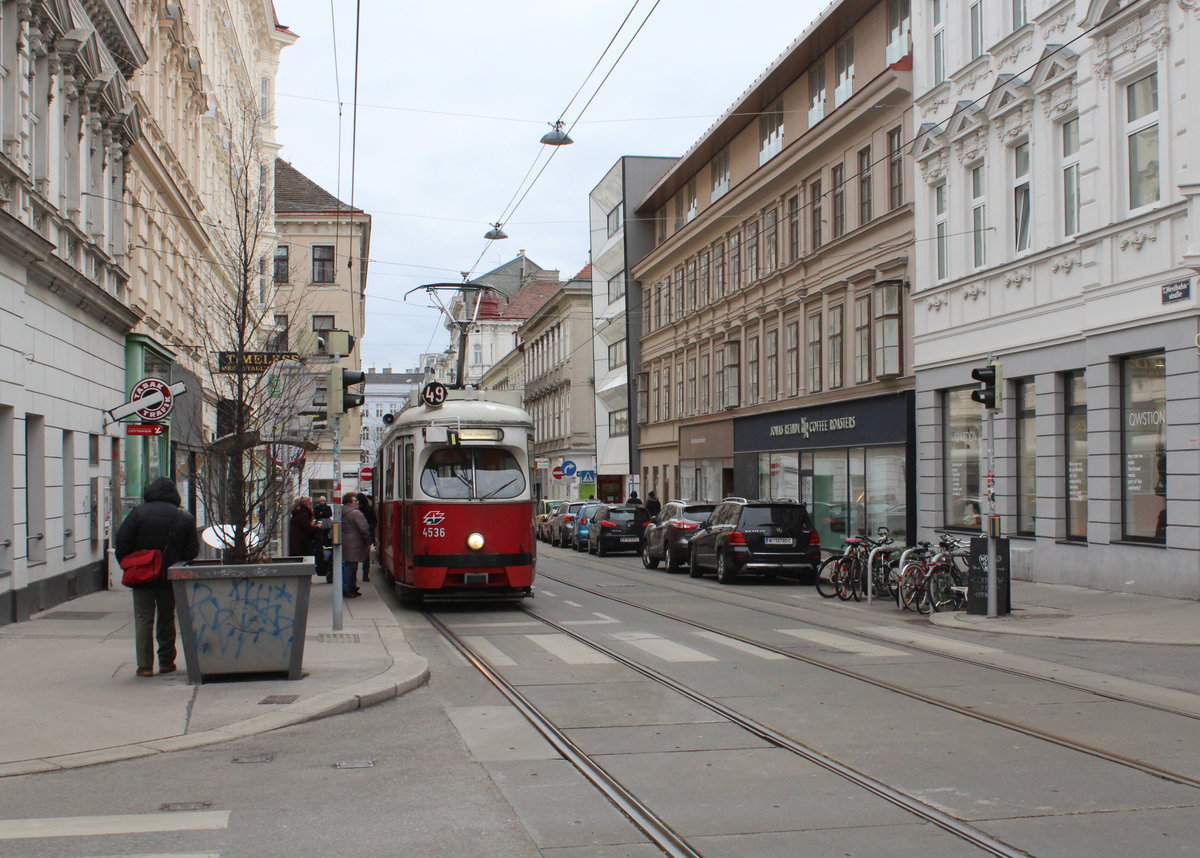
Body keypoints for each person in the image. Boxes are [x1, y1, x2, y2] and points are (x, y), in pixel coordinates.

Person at [114, 477, 200, 678]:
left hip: (141, 574)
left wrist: (130, 564)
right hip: (169, 575)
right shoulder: (184, 517)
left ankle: (144, 665)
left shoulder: (138, 513)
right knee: (166, 617)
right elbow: (192, 551)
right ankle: (166, 661)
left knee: (143, 618)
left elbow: (122, 542)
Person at [340, 492, 372, 598]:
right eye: (355, 500)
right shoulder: (355, 513)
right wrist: (368, 542)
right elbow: (364, 529)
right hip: (354, 544)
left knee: (349, 566)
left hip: (346, 543)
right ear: (350, 502)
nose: (357, 502)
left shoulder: (342, 511)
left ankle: (351, 587)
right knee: (351, 566)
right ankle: (347, 588)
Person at [287, 497, 322, 563]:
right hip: (302, 543)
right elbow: (308, 528)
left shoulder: (298, 513)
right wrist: (317, 527)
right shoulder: (303, 514)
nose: (311, 506)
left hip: (297, 542)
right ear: (306, 504)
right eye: (310, 504)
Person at [356, 493, 376, 581]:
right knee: (366, 556)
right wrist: (369, 529)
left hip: (357, 535)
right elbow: (374, 521)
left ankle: (355, 575)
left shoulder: (356, 510)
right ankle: (365, 574)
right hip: (367, 535)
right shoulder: (369, 509)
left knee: (355, 555)